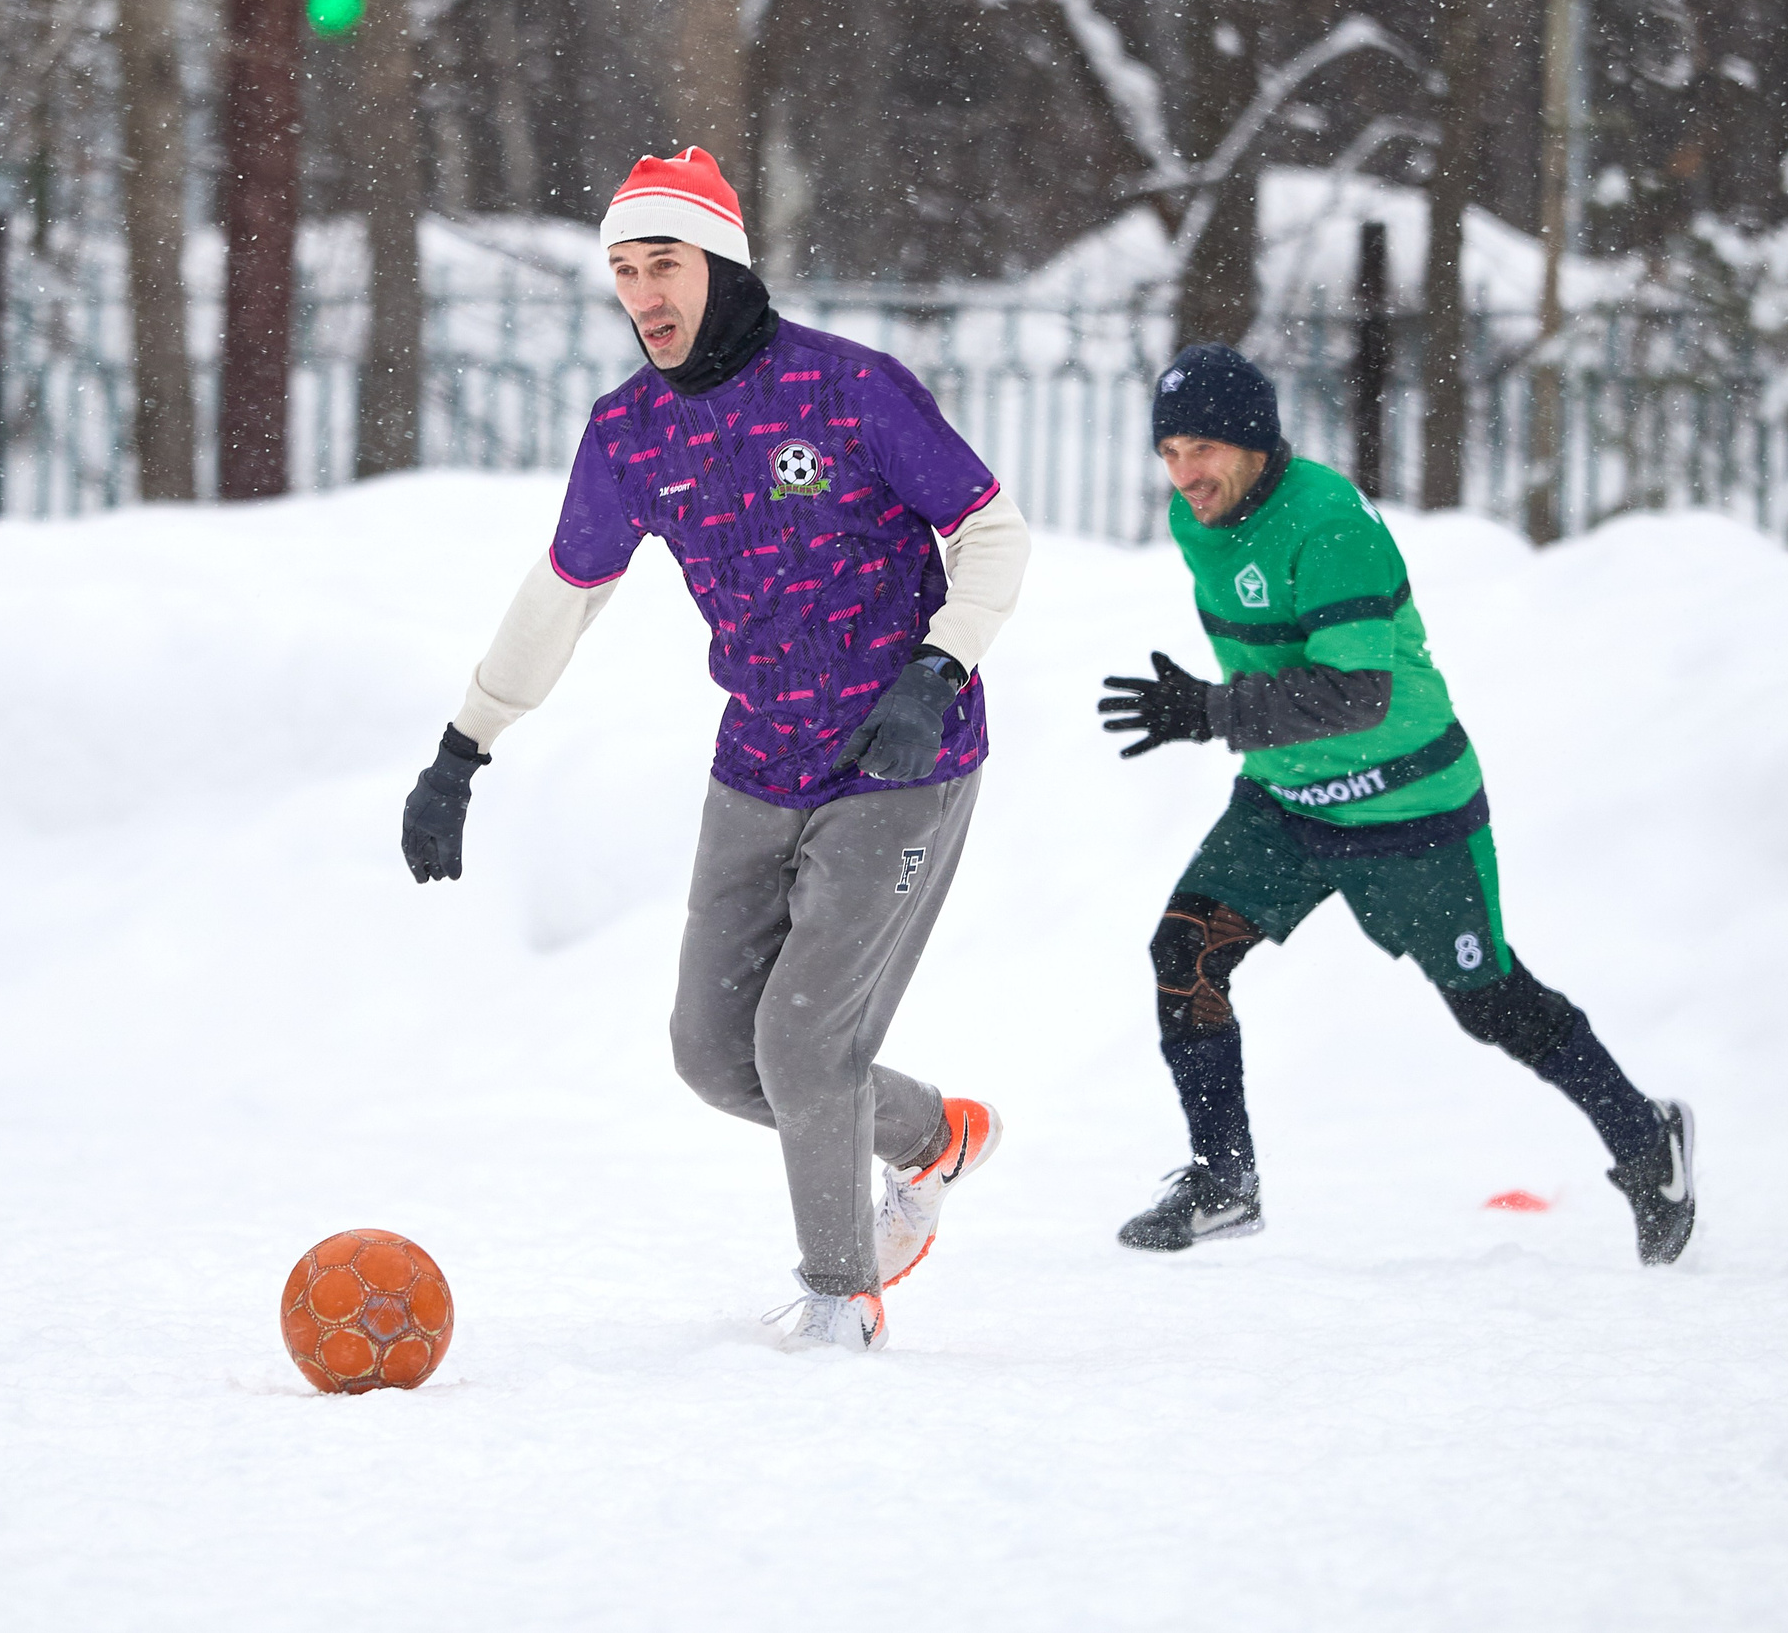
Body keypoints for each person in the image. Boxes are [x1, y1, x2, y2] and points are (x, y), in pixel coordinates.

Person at [400, 147, 1029, 1350]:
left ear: (722, 264)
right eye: (624, 270)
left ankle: (843, 1298)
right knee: (712, 1055)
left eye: (665, 263)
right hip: (758, 758)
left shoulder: (851, 389)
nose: (644, 293)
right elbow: (563, 593)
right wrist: (459, 748)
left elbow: (990, 531)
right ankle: (934, 1138)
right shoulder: (632, 432)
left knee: (803, 1040)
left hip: (902, 757)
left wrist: (939, 665)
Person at [1097, 344, 1695, 1265]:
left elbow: (1357, 693)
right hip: (1290, 801)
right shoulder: (1197, 519)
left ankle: (1646, 1139)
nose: (1184, 475)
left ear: (1256, 443)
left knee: (1491, 1001)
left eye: (1202, 449)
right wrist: (1230, 717)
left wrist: (1212, 711)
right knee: (1185, 950)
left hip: (1407, 805)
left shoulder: (1329, 525)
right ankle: (1224, 1181)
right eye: (1169, 451)